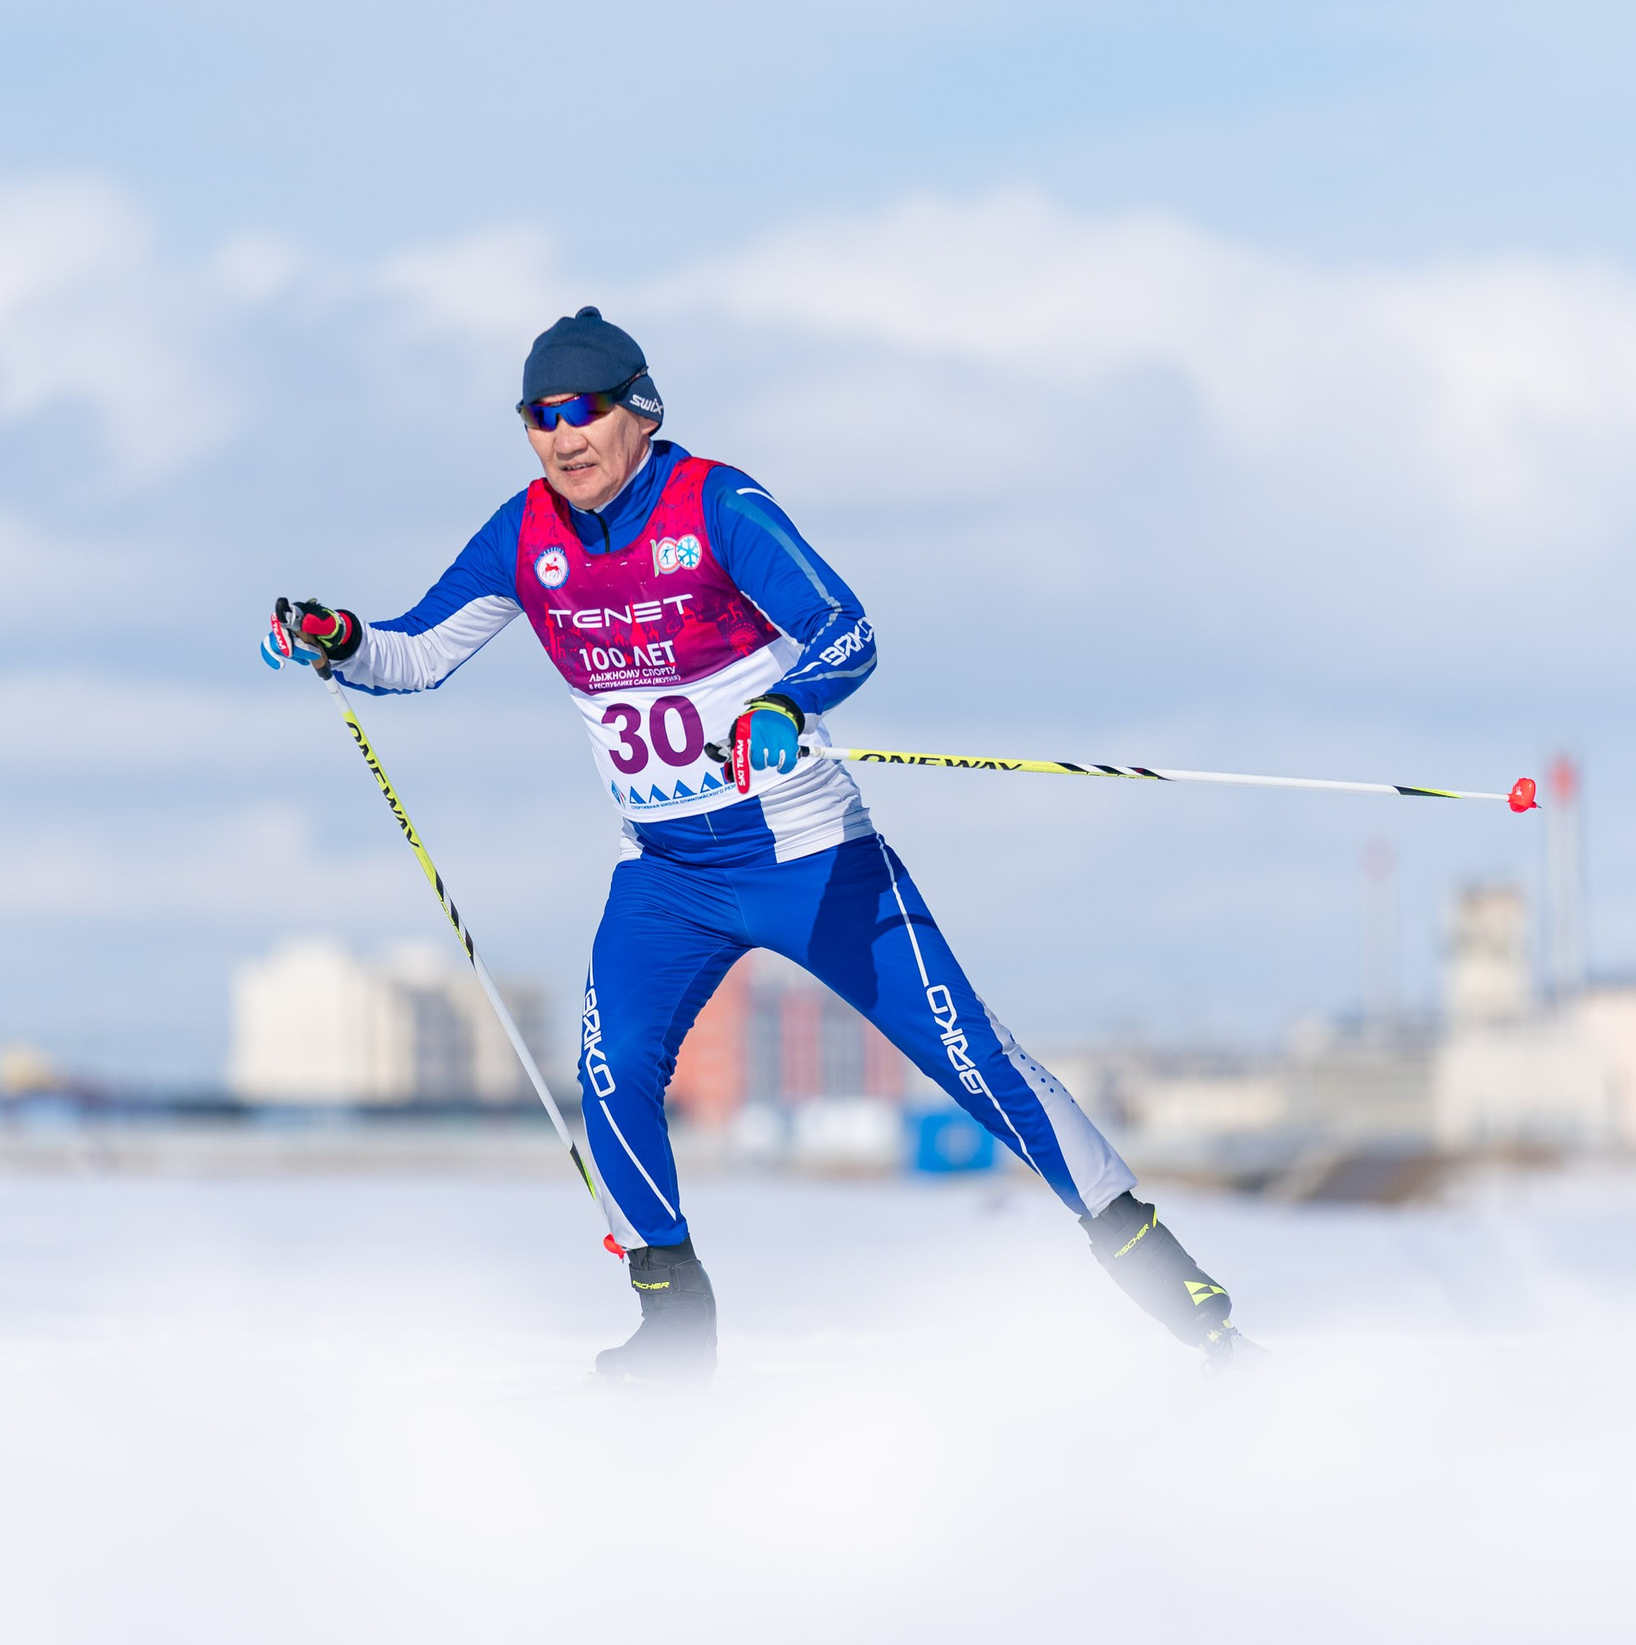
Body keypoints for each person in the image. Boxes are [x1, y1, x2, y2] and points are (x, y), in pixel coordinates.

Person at [266, 307, 1260, 1382]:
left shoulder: (716, 503)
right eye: (539, 419)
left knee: (976, 1062)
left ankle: (1187, 1302)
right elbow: (411, 655)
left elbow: (846, 628)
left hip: (811, 860)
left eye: (584, 411)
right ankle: (673, 1332)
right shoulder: (526, 537)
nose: (563, 437)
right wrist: (341, 639)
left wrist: (785, 703)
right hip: (668, 878)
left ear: (638, 412)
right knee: (611, 1072)